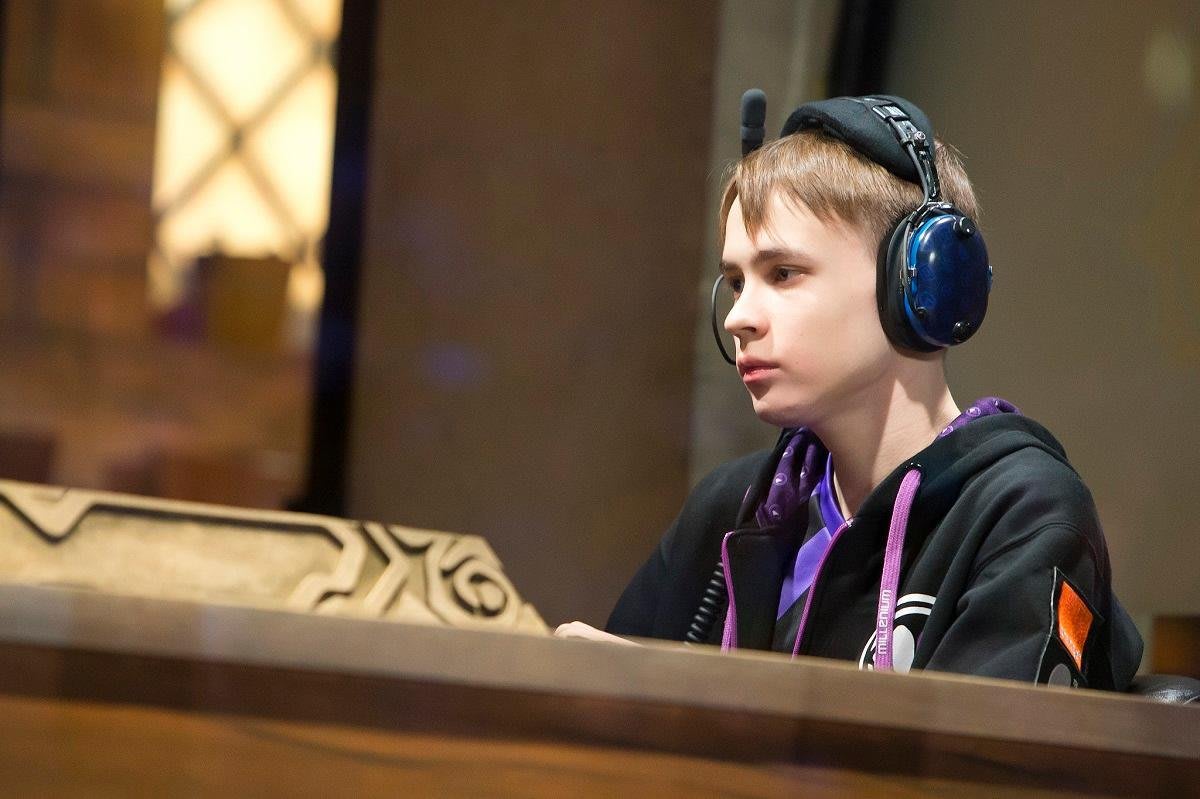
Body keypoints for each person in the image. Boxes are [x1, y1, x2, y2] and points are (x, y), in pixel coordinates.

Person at [558, 95, 1143, 690]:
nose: (739, 317)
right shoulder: (733, 507)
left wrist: (672, 696)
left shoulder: (1022, 513)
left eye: (783, 273)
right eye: (735, 282)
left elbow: (984, 749)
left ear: (921, 283)